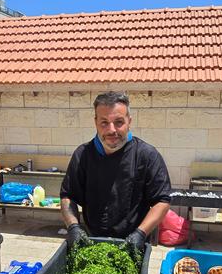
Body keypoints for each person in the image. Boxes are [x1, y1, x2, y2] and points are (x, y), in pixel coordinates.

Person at [60, 91, 172, 255]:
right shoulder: (82, 155)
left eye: (119, 122)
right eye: (104, 122)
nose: (111, 130)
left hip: (133, 245)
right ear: (95, 122)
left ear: (129, 121)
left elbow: (162, 200)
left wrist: (140, 234)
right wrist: (73, 227)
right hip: (92, 242)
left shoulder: (147, 155)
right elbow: (68, 195)